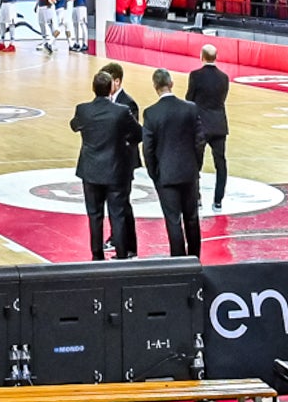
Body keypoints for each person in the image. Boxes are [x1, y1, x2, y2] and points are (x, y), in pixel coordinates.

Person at [71, 69, 140, 260]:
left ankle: (96, 255)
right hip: (116, 170)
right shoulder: (121, 111)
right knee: (117, 214)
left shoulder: (83, 109)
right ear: (111, 89)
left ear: (93, 88)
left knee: (94, 215)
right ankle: (121, 254)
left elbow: (74, 125)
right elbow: (138, 134)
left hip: (91, 171)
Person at [142, 69, 205, 258]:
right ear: (172, 83)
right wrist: (196, 166)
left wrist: (155, 174)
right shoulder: (191, 108)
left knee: (173, 221)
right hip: (189, 172)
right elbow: (200, 141)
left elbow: (148, 149)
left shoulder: (151, 113)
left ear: (155, 87)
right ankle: (195, 259)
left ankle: (178, 262)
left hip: (166, 176)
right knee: (192, 219)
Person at [186, 44, 231, 211]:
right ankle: (218, 200)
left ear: (201, 56)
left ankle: (196, 198)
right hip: (219, 124)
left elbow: (189, 99)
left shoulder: (195, 75)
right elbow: (222, 98)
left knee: (195, 163)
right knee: (221, 163)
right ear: (216, 57)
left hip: (200, 125)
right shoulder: (224, 77)